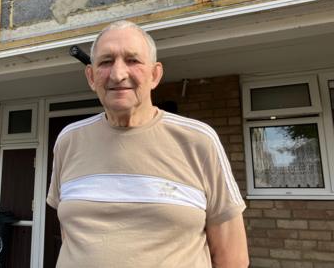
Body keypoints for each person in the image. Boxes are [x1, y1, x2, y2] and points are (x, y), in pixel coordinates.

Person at [47, 20, 249, 268]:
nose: (118, 74)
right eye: (106, 62)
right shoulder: (68, 140)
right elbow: (71, 234)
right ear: (91, 76)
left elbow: (233, 258)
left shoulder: (199, 140)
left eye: (132, 61)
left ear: (155, 75)